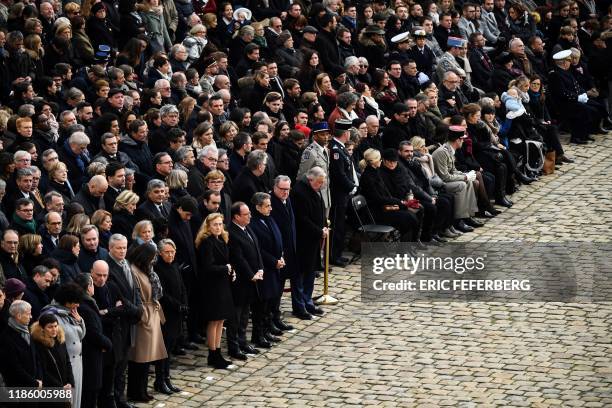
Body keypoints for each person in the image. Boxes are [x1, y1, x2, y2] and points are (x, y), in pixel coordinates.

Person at [126, 243, 168, 402]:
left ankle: (141, 390)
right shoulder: (135, 271)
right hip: (144, 317)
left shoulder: (147, 270)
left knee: (148, 358)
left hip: (151, 314)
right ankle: (136, 391)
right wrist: (143, 314)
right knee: (140, 359)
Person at [105, 234, 142, 408]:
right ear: (110, 248)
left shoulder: (126, 263)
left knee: (124, 363)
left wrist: (138, 308)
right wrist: (136, 311)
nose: (122, 251)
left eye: (124, 247)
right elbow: (119, 297)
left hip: (129, 321)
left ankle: (121, 398)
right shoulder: (109, 268)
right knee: (116, 365)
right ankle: (114, 399)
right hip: (119, 323)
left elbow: (135, 291)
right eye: (118, 248)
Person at [195, 213, 236, 366]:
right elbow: (207, 267)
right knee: (214, 320)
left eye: (220, 224)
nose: (218, 227)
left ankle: (217, 351)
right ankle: (213, 353)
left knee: (221, 320)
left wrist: (231, 270)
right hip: (212, 286)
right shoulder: (207, 242)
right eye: (215, 225)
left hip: (222, 284)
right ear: (208, 227)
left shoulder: (221, 239)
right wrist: (225, 268)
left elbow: (226, 262)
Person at [227, 202, 265, 358]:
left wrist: (261, 268)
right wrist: (251, 274)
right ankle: (234, 346)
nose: (250, 216)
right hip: (241, 281)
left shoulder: (247, 228)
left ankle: (243, 342)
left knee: (244, 316)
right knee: (236, 317)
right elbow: (239, 258)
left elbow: (257, 249)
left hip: (252, 279)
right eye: (246, 214)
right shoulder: (232, 233)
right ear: (236, 216)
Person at [41, 282, 87, 408]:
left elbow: (80, 336)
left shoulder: (71, 312)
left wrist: (80, 321)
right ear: (66, 300)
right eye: (75, 301)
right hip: (65, 364)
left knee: (76, 397)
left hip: (77, 362)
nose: (78, 305)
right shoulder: (50, 314)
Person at [291, 167, 328, 317]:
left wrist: (324, 226)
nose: (321, 186)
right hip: (302, 240)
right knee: (300, 275)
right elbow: (302, 219)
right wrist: (319, 231)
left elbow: (319, 209)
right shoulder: (299, 192)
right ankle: (300, 305)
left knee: (310, 273)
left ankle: (308, 302)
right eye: (319, 183)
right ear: (310, 179)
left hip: (313, 239)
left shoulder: (314, 189)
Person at [73, 273, 113, 408]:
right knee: (90, 392)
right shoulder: (85, 306)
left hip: (91, 353)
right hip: (90, 354)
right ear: (89, 286)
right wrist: (107, 344)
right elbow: (93, 333)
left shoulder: (86, 302)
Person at [249, 192, 285, 342]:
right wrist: (273, 261)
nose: (270, 208)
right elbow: (259, 249)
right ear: (258, 207)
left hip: (275, 265)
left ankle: (268, 327)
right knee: (262, 304)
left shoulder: (269, 219)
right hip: (265, 267)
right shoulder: (254, 224)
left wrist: (281, 256)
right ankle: (259, 334)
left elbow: (277, 237)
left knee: (271, 300)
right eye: (267, 206)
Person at [432, 126, 481, 233]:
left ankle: (467, 215)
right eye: (462, 139)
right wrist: (464, 177)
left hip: (446, 180)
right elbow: (444, 176)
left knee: (468, 182)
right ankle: (458, 220)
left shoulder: (449, 150)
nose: (463, 141)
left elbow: (453, 170)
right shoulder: (442, 152)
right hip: (440, 183)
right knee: (462, 185)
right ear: (458, 139)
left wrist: (466, 175)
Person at [154, 239, 186, 392]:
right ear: (160, 253)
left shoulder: (174, 265)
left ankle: (167, 378)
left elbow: (181, 286)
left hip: (177, 313)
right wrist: (177, 305)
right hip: (166, 313)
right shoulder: (158, 269)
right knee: (164, 349)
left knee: (170, 347)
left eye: (172, 251)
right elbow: (163, 294)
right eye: (167, 252)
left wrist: (184, 302)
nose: (170, 255)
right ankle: (160, 380)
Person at [30, 312, 75, 403]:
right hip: (50, 390)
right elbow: (43, 370)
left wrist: (70, 382)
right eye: (50, 327)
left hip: (65, 387)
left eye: (56, 326)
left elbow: (67, 362)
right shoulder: (39, 345)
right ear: (42, 328)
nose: (54, 329)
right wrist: (60, 387)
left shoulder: (60, 340)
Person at [0, 300, 42, 389]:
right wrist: (34, 383)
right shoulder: (6, 338)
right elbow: (14, 367)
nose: (31, 317)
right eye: (28, 314)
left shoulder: (27, 332)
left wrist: (39, 379)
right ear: (19, 316)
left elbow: (36, 358)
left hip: (34, 386)